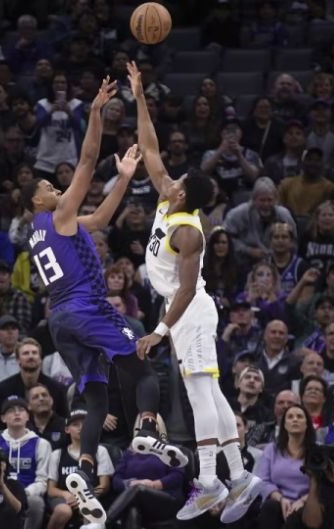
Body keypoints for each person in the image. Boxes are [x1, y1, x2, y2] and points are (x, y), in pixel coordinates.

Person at [20, 76, 174, 525]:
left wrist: (123, 178)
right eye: (48, 186)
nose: (56, 187)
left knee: (96, 398)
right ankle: (148, 424)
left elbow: (102, 218)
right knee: (142, 362)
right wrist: (94, 113)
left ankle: (85, 469)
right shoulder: (57, 214)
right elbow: (87, 160)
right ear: (37, 200)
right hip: (86, 309)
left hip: (60, 321)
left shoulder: (45, 230)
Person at [129, 60, 262, 522]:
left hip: (190, 310)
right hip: (182, 311)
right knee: (213, 394)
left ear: (184, 195)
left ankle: (208, 481)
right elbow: (150, 147)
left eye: (181, 182)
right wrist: (139, 97)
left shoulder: (189, 231)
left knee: (200, 395)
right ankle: (239, 476)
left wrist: (159, 331)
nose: (174, 179)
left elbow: (186, 290)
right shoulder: (168, 196)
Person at [0, 398, 52, 529]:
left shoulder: (41, 444)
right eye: (11, 410)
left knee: (36, 502)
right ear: (3, 418)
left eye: (21, 410)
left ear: (28, 417)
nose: (17, 413)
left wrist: (23, 493)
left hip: (27, 493)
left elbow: (42, 481)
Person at [46, 409, 114, 529]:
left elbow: (104, 486)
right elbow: (51, 489)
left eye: (85, 423)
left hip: (92, 496)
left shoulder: (100, 451)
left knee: (89, 509)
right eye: (75, 424)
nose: (81, 428)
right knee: (63, 511)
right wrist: (66, 494)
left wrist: (84, 497)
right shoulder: (57, 454)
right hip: (64, 498)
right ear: (67, 429)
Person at [254, 405, 314, 529]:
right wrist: (281, 499)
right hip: (277, 501)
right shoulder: (271, 449)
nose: (295, 419)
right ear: (284, 425)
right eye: (290, 417)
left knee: (300, 514)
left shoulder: (317, 451)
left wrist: (303, 501)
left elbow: (322, 485)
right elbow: (263, 480)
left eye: (299, 416)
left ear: (307, 424)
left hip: (307, 503)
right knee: (270, 507)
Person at [0, 338, 68, 421]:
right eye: (26, 353)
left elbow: (64, 420)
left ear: (40, 359)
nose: (31, 356)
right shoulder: (4, 388)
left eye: (34, 353)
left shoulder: (57, 388)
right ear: (18, 360)